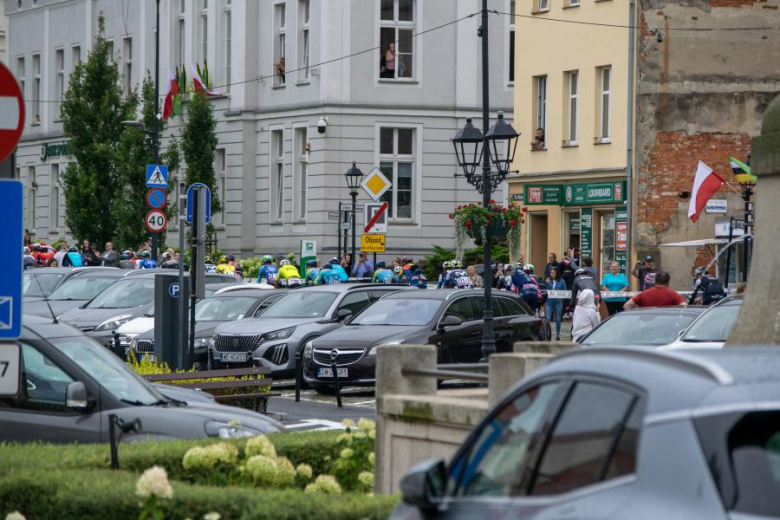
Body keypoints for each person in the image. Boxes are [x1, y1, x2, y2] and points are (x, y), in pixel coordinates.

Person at [546, 267, 566, 340]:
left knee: (558, 318)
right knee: (548, 318)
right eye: (551, 273)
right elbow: (545, 290)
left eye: (553, 273)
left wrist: (561, 299)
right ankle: (547, 333)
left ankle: (558, 334)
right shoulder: (548, 281)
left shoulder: (562, 281)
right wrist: (546, 283)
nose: (552, 274)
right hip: (549, 301)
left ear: (557, 273)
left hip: (558, 301)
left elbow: (565, 291)